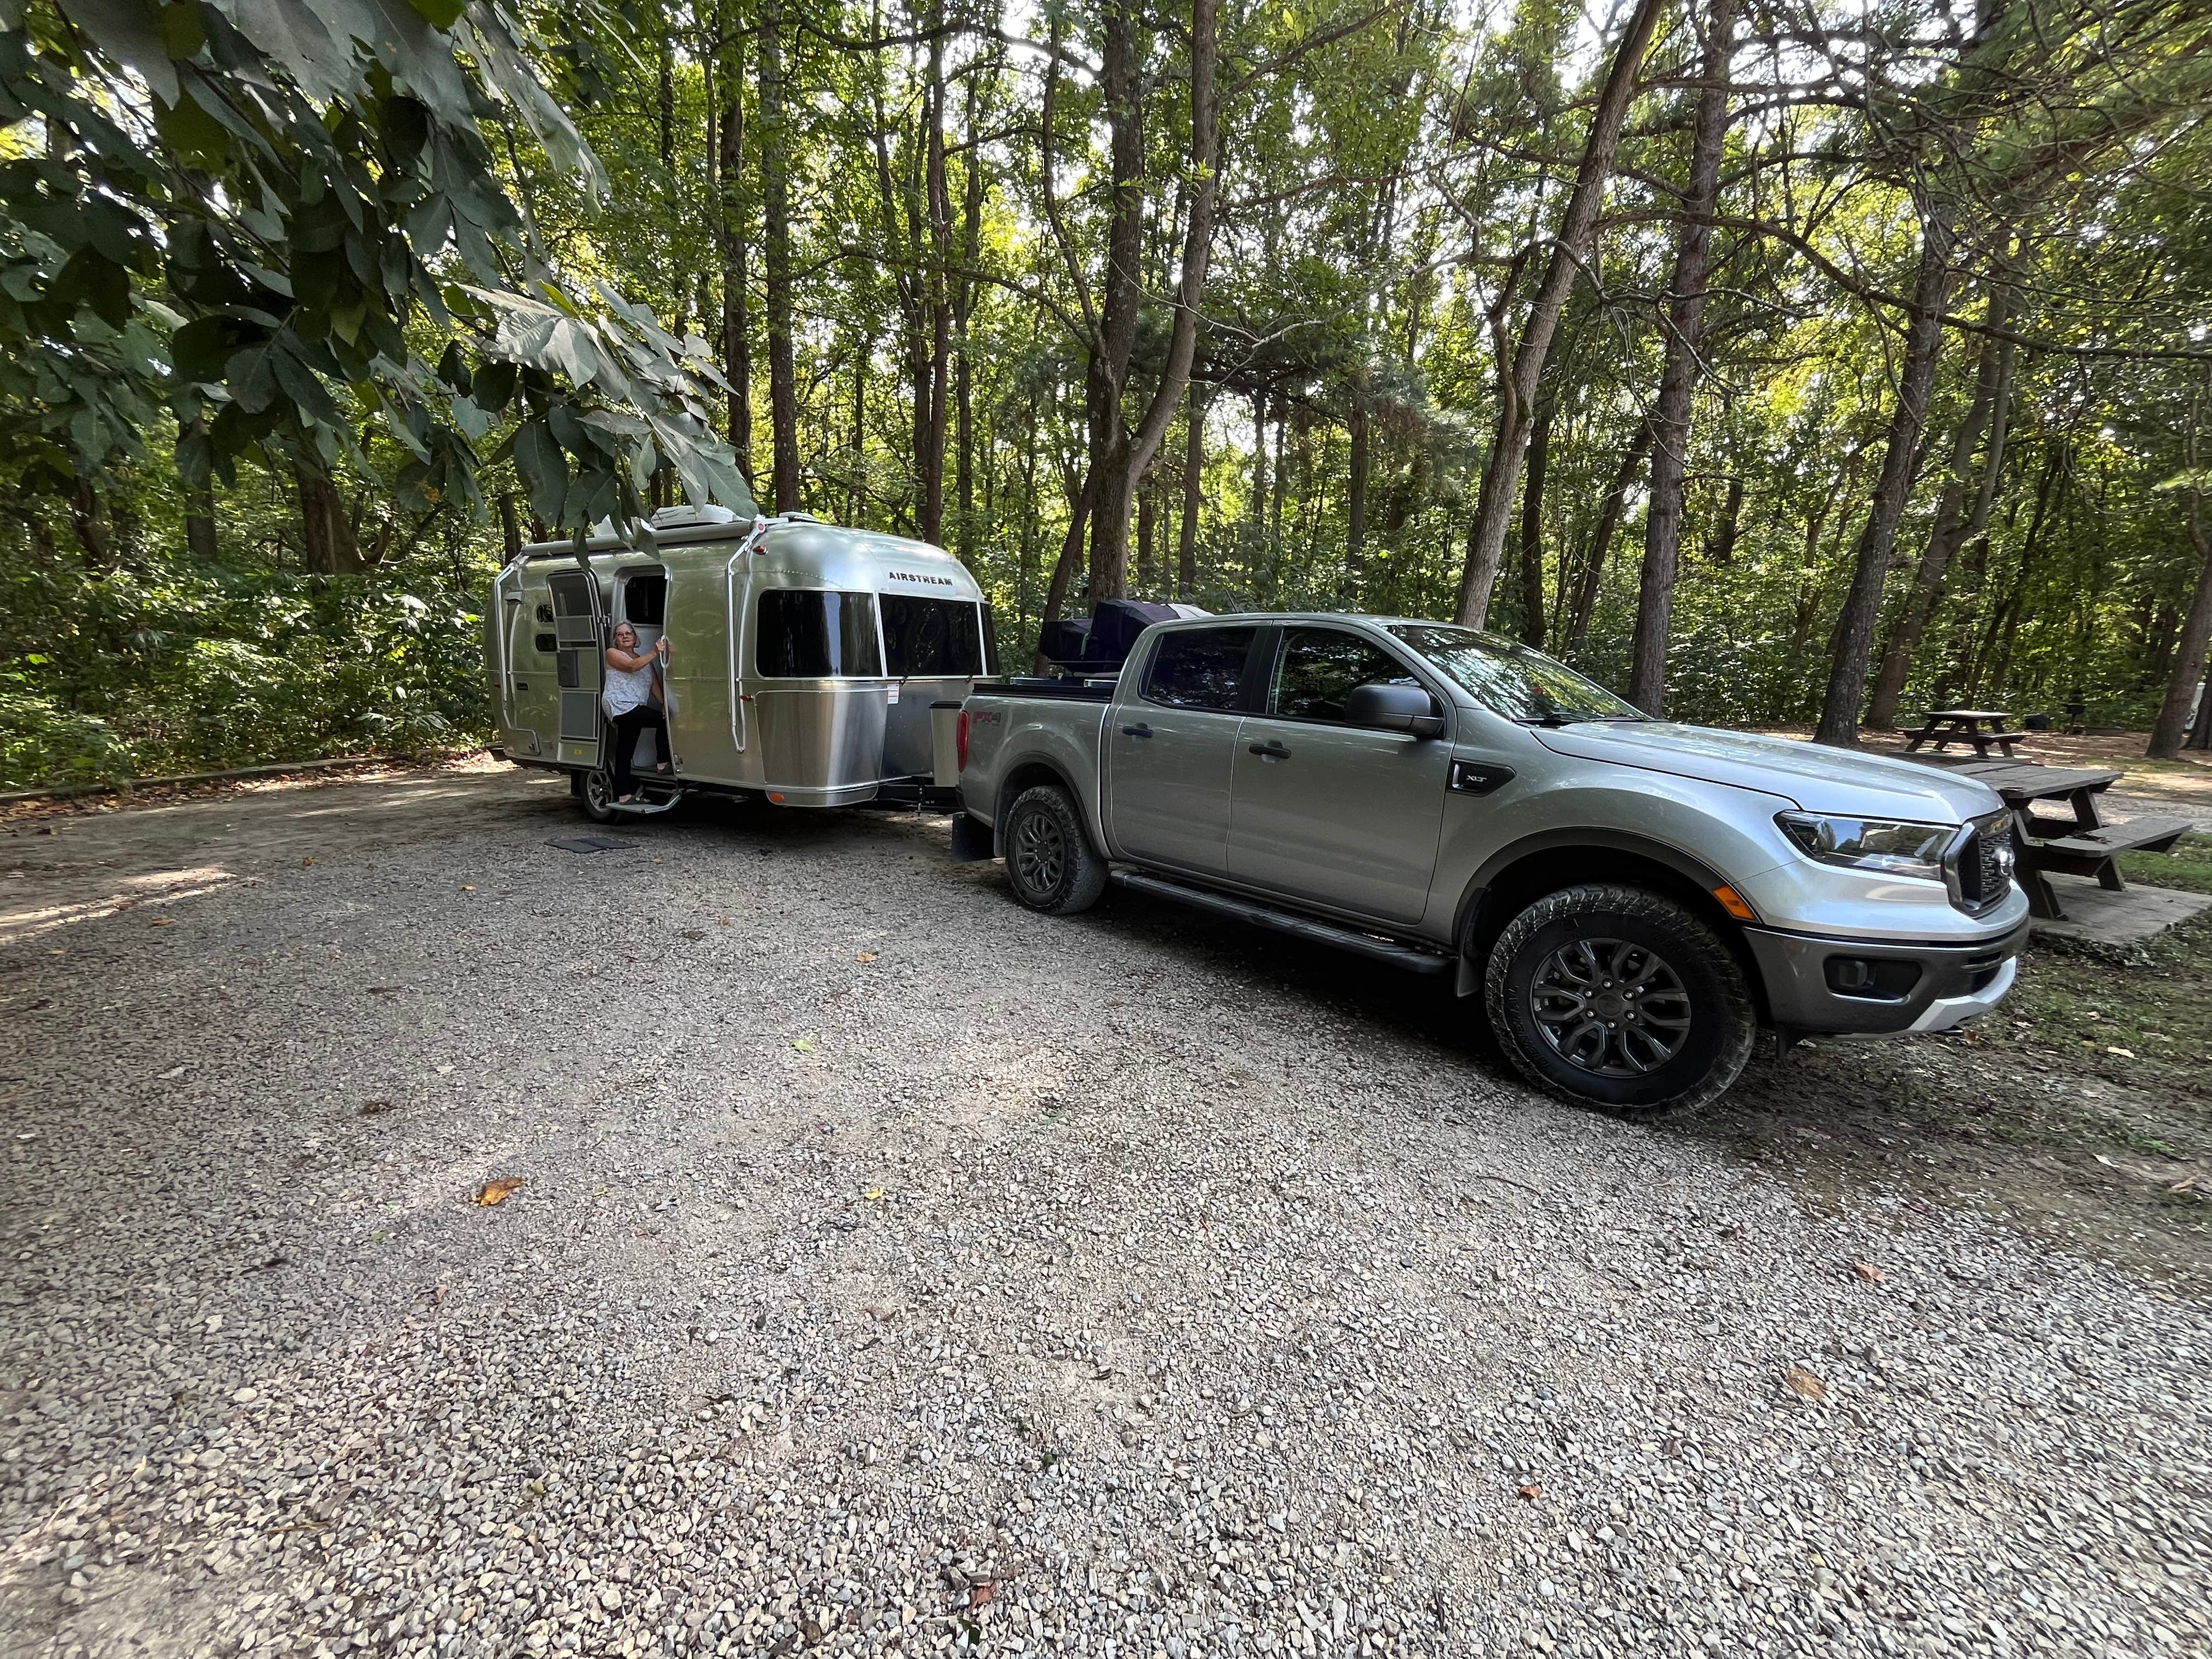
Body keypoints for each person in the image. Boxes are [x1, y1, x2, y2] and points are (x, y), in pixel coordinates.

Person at [602, 622, 671, 802]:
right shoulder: (613, 654)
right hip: (620, 705)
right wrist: (655, 652)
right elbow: (632, 666)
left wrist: (664, 703)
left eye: (629, 633)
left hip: (633, 706)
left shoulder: (644, 660)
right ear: (616, 640)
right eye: (620, 634)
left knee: (625, 751)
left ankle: (624, 796)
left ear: (635, 638)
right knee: (663, 722)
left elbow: (654, 686)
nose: (625, 637)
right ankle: (663, 762)